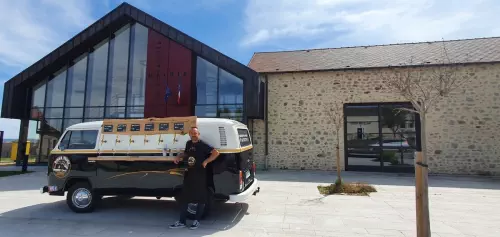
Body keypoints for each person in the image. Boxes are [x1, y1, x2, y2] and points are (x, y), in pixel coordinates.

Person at [169, 127, 220, 230]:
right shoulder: (189, 143)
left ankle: (196, 221)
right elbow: (187, 153)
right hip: (189, 174)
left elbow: (216, 153)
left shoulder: (202, 145)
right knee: (184, 198)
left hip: (200, 175)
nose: (193, 134)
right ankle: (182, 222)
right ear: (189, 134)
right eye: (192, 133)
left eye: (195, 133)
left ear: (198, 134)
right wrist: (179, 156)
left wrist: (206, 161)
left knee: (200, 199)